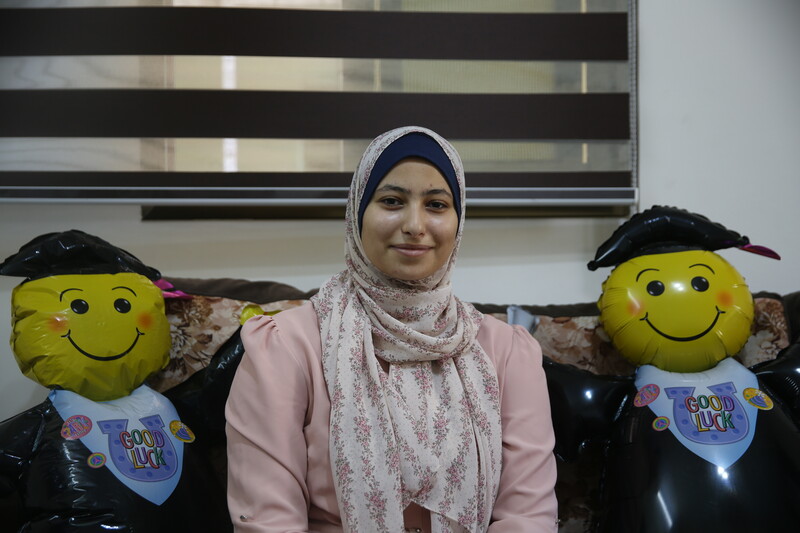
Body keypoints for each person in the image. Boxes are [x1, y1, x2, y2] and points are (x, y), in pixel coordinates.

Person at [225, 126, 558, 532]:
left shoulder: (505, 352)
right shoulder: (287, 348)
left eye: (436, 204)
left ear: (459, 219)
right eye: (391, 201)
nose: (415, 225)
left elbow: (528, 517)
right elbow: (268, 520)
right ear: (357, 212)